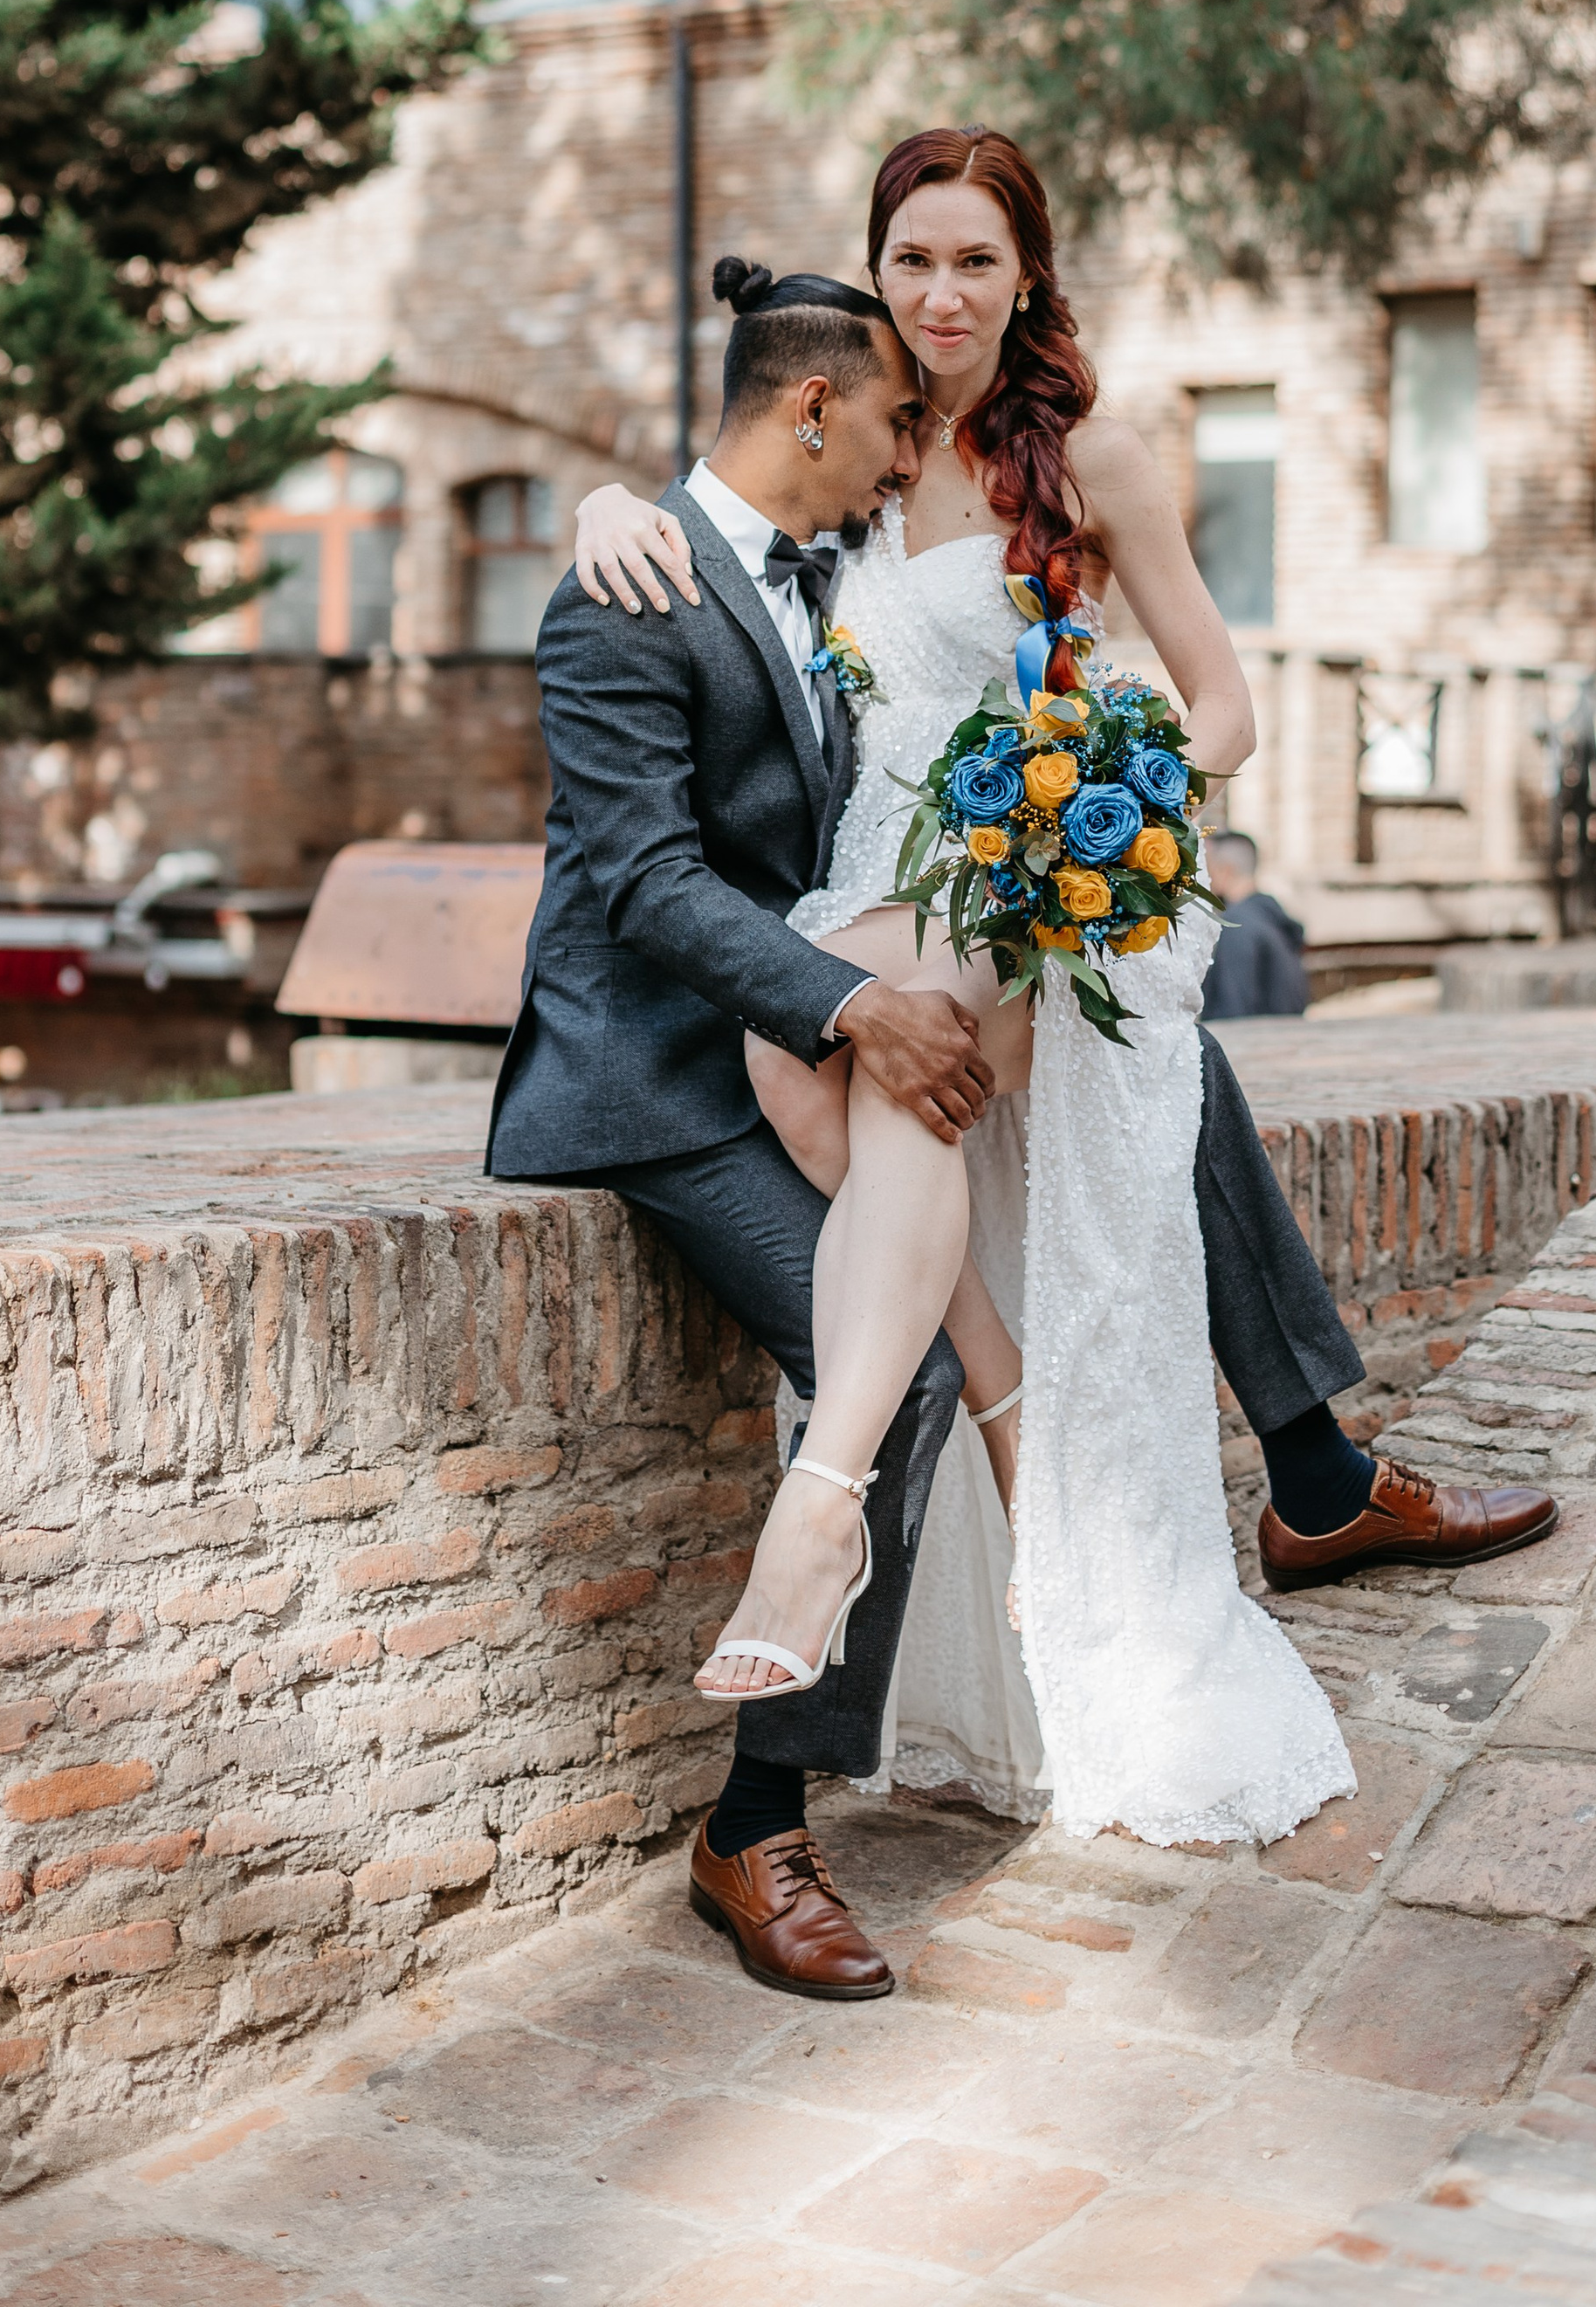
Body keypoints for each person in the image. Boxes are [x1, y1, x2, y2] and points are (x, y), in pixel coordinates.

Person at [569, 128, 1558, 1897]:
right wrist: (603, 510)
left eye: (970, 260)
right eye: (908, 261)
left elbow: (1225, 708)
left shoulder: (1085, 457)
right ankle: (1029, 1419)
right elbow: (708, 517)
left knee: (898, 1036)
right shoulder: (844, 436)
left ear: (1026, 272)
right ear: (869, 275)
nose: (936, 296)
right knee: (800, 1069)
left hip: (1027, 880)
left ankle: (863, 1498)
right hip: (868, 885)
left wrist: (1078, 787)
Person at [488, 266, 990, 2001]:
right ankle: (754, 1824)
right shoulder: (618, 592)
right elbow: (638, 883)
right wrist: (850, 1010)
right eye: (881, 424)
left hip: (806, 1051)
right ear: (806, 409)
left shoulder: (828, 569)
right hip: (663, 1071)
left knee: (958, 1289)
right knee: (900, 1364)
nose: (896, 457)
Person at [1202, 830, 1312, 1020]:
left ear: (1225, 871)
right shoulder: (1269, 915)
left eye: (1205, 868)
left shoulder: (1236, 925)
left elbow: (1232, 1011)